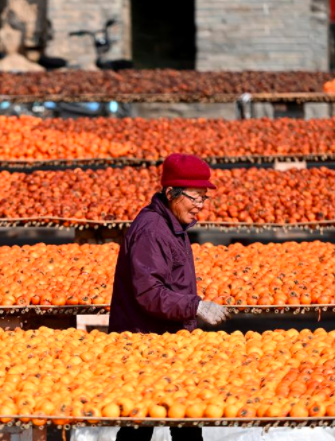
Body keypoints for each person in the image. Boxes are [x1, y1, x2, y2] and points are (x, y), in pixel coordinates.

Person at [109, 153, 230, 441]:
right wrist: (195, 305)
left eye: (204, 198)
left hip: (166, 342)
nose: (200, 206)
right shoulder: (152, 230)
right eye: (195, 198)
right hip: (145, 344)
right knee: (143, 424)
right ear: (170, 193)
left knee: (173, 423)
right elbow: (149, 293)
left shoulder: (171, 225)